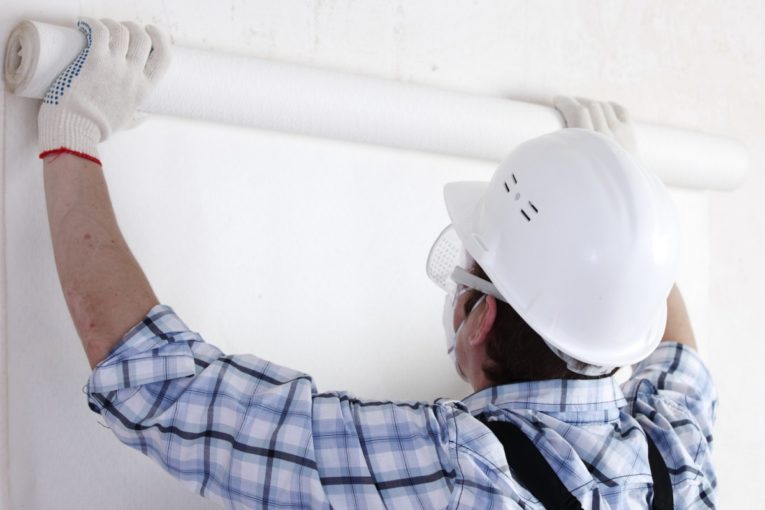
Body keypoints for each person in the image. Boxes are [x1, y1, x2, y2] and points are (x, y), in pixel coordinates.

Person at [40, 17, 718, 509]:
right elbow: (678, 356)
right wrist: (616, 188)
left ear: (480, 316)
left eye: (465, 273)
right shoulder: (673, 459)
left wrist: (75, 131)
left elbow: (161, 384)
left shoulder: (460, 475)